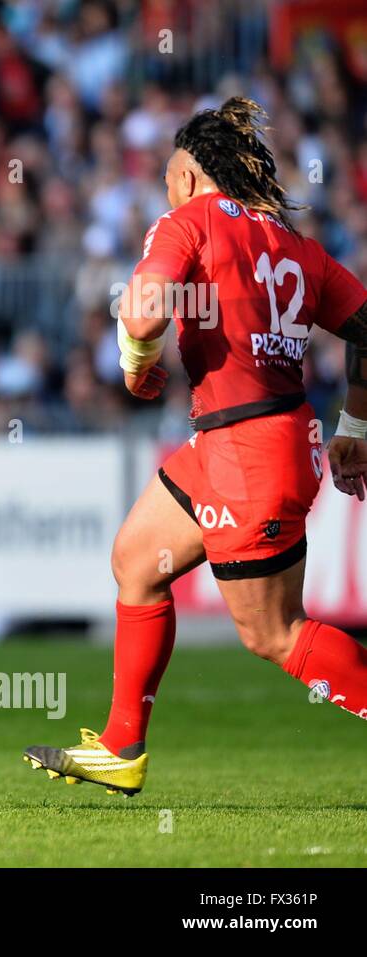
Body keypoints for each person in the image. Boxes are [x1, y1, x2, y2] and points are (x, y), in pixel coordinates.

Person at [25, 98, 367, 796]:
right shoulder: (295, 244)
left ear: (188, 175)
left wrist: (135, 359)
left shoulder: (190, 220)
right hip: (242, 441)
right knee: (135, 561)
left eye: (168, 174)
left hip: (248, 449)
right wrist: (355, 428)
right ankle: (122, 747)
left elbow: (143, 308)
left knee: (273, 633)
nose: (165, 186)